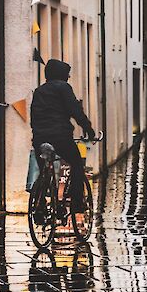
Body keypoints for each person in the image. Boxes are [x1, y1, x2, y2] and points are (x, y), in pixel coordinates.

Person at [30, 59, 96, 214]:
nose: (68, 77)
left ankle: (40, 204)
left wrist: (37, 134)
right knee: (77, 162)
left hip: (40, 138)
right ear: (62, 75)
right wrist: (88, 129)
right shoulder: (63, 88)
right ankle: (77, 202)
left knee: (44, 169)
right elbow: (75, 110)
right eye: (67, 74)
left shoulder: (39, 91)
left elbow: (34, 116)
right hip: (60, 136)